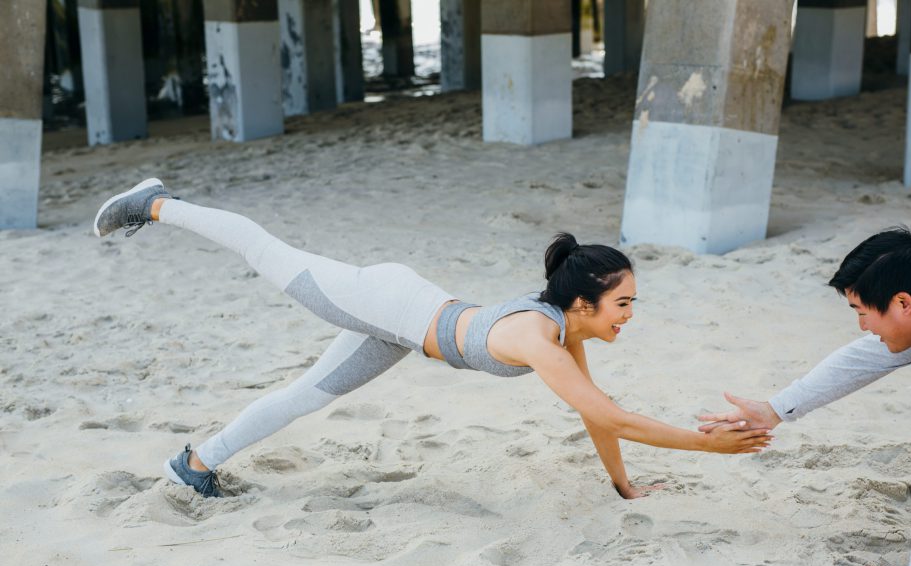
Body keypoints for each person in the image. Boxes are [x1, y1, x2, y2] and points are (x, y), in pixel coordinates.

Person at [93, 179, 772, 499]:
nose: (628, 314)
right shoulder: (540, 338)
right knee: (270, 252)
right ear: (585, 300)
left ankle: (197, 462)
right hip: (388, 303)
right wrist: (704, 444)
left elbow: (599, 410)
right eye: (622, 303)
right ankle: (155, 203)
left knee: (306, 397)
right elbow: (607, 413)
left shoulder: (565, 334)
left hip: (406, 330)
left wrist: (624, 485)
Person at [698, 227, 911, 566]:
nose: (863, 326)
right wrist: (775, 409)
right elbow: (870, 355)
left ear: (902, 302)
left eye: (861, 312)